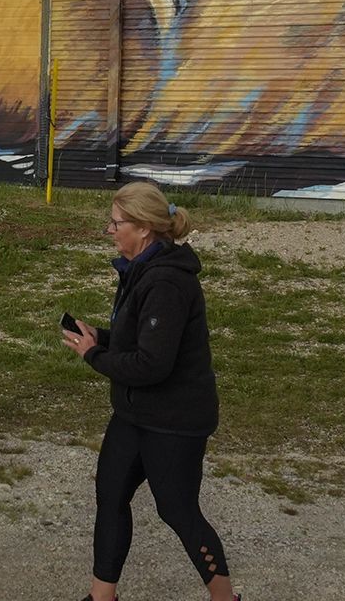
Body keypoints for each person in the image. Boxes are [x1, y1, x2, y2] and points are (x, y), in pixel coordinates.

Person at [61, 182, 236, 601]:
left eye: (116, 223)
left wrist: (92, 355)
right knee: (111, 495)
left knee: (177, 510)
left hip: (175, 420)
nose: (110, 230)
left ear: (143, 228)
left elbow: (152, 364)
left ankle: (225, 597)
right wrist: (100, 337)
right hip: (135, 413)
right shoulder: (139, 270)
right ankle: (102, 596)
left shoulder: (167, 283)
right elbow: (136, 339)